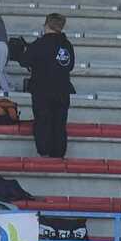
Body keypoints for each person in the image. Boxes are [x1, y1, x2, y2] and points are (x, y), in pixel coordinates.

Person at [23, 13, 75, 158]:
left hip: (41, 90)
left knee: (43, 121)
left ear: (46, 25)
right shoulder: (67, 45)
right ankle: (58, 153)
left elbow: (25, 61)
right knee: (60, 123)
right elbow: (70, 65)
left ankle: (44, 151)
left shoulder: (39, 44)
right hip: (62, 90)